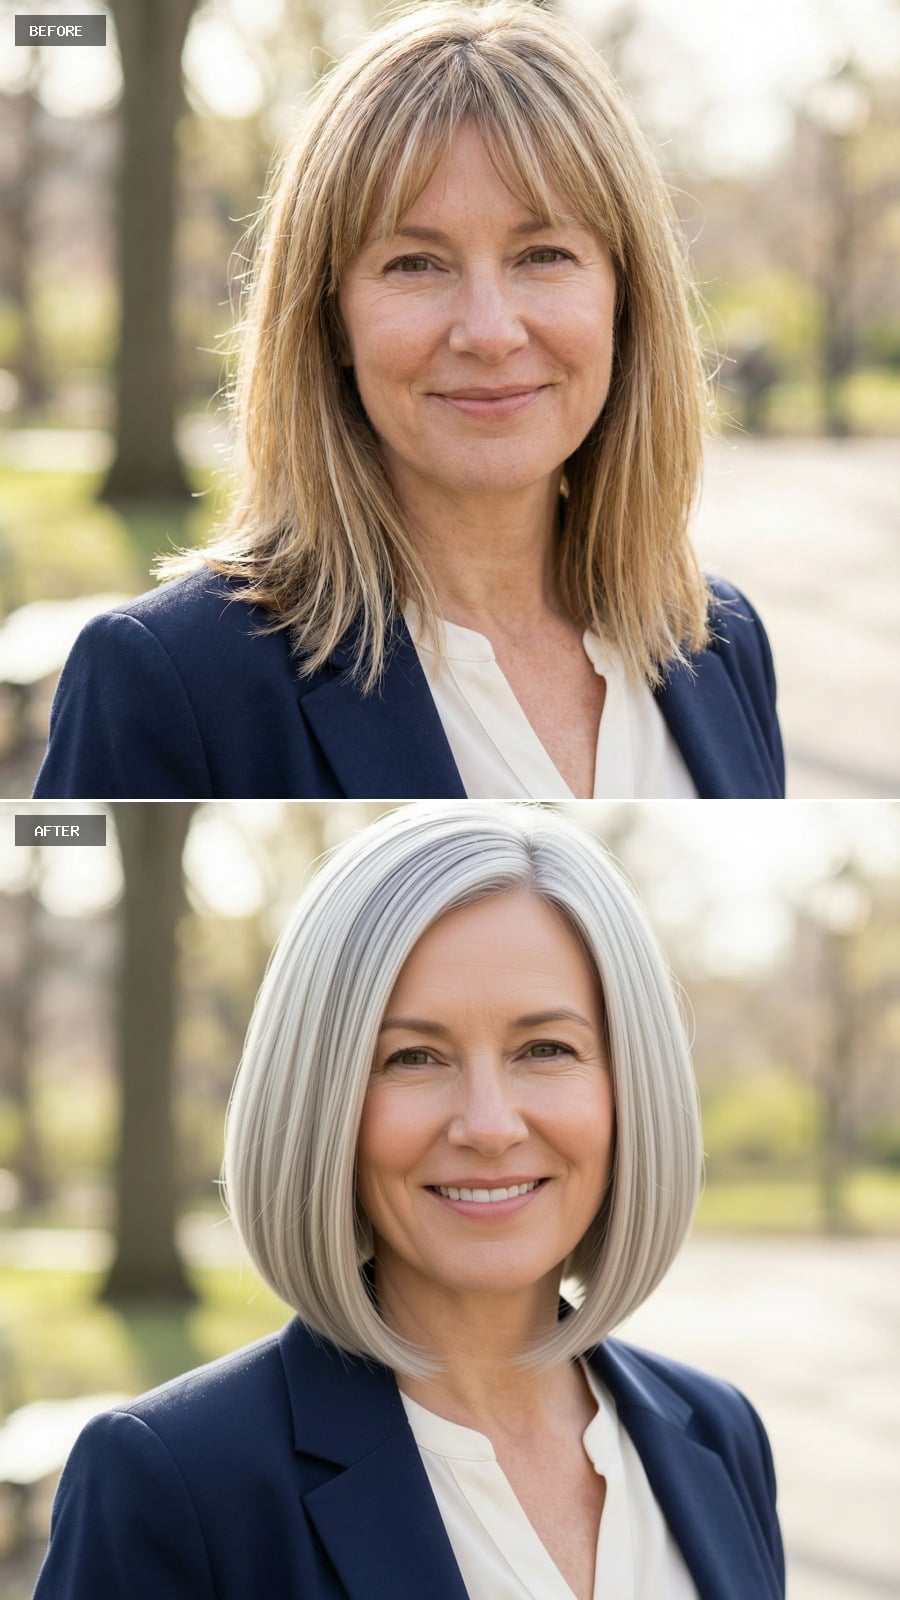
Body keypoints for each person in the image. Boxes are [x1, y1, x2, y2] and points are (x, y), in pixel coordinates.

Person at [34, 1, 783, 802]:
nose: (490, 332)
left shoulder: (721, 640)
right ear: (331, 319)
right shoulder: (167, 677)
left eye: (544, 254)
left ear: (624, 299)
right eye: (415, 264)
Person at [35, 803, 785, 1599]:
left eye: (546, 1049)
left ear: (629, 1084)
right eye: (414, 1057)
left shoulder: (718, 1432)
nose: (490, 1127)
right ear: (322, 1102)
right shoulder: (174, 1481)